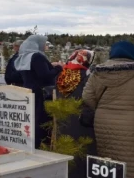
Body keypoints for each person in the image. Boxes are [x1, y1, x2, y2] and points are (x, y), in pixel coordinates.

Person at [82, 41, 134, 178]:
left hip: (104, 123)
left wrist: (101, 109)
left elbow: (87, 97)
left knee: (109, 164)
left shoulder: (98, 73)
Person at [14, 35, 63, 148]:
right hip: (40, 93)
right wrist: (58, 68)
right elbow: (44, 75)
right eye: (45, 44)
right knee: (40, 120)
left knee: (31, 119)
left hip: (28, 91)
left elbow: (31, 73)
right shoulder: (37, 56)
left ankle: (29, 143)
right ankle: (39, 144)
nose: (46, 46)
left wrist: (50, 66)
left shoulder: (24, 56)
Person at [55, 49, 97, 178]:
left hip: (63, 122)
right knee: (82, 157)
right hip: (81, 124)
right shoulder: (88, 77)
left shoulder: (61, 76)